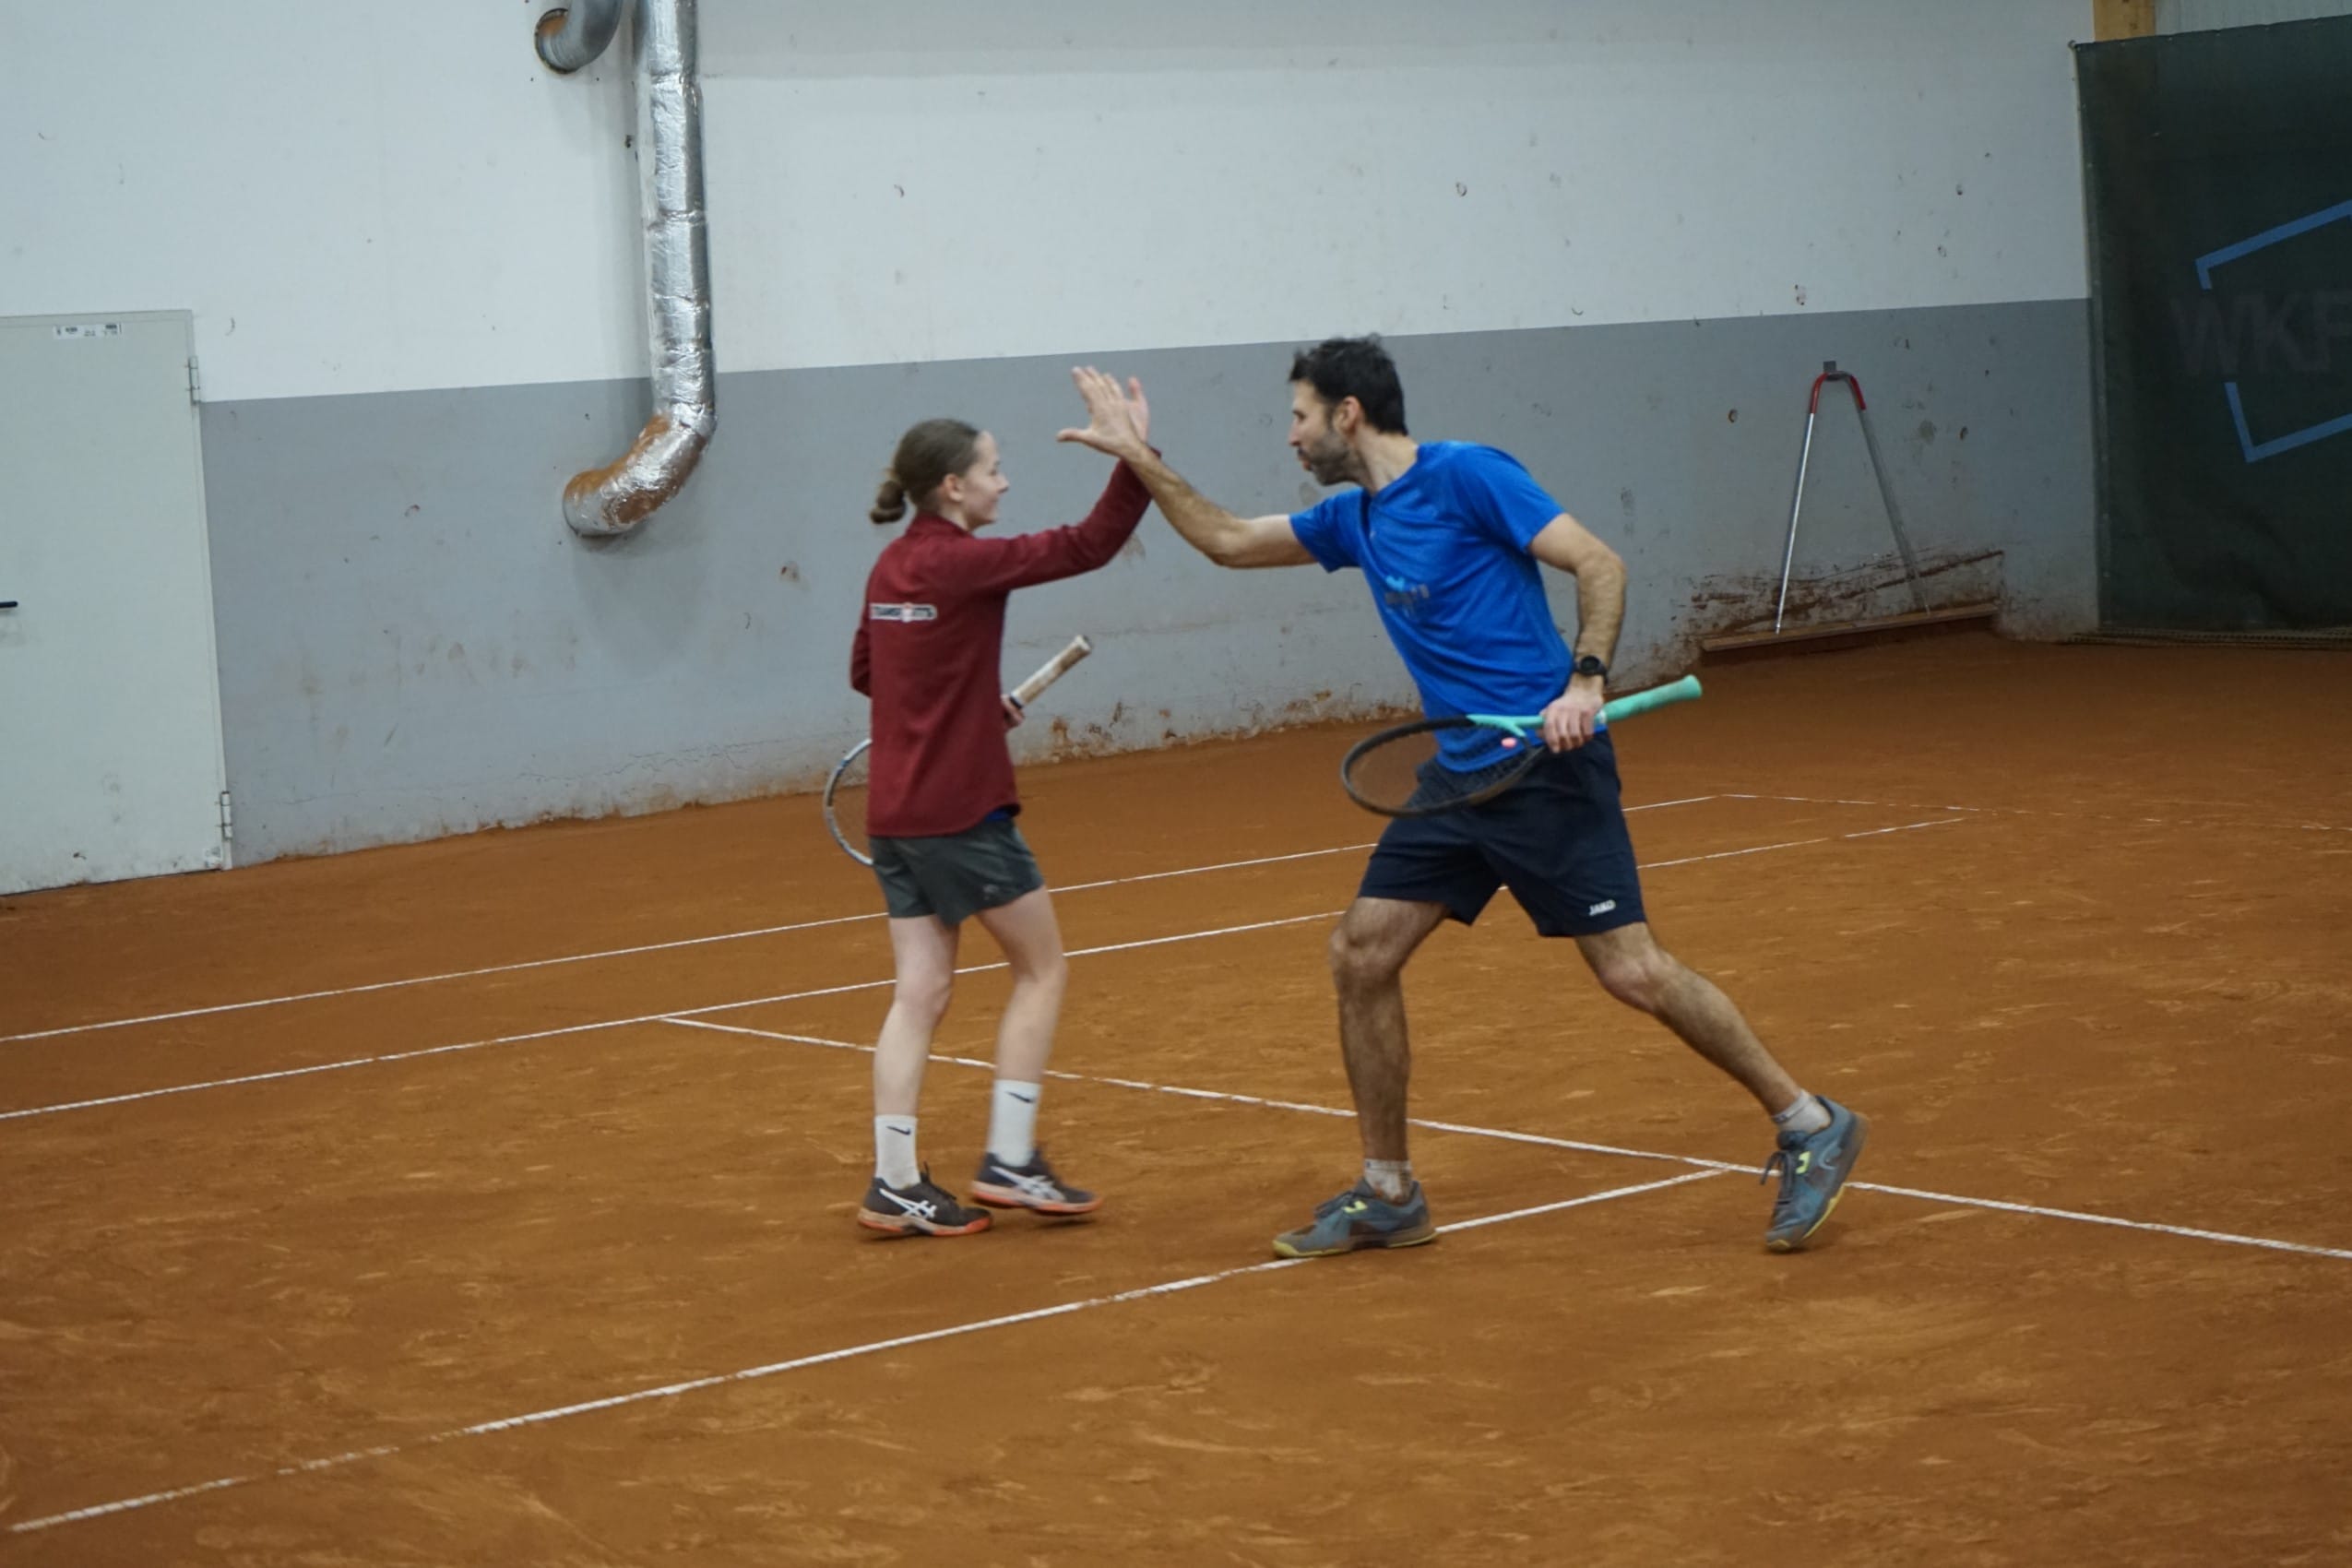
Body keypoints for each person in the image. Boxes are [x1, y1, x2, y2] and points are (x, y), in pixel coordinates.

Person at [1052, 337, 1866, 1257]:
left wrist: (1585, 681)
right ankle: (1388, 1191)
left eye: (1300, 416)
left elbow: (1599, 563)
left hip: (1545, 768)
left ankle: (1809, 1121)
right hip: (1459, 779)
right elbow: (1228, 541)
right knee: (1362, 953)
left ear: (1348, 414)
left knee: (1632, 971)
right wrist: (1136, 456)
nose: (1292, 436)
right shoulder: (1354, 519)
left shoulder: (1469, 476)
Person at [849, 377, 1154, 1237]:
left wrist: (966, 704)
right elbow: (1089, 544)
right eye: (993, 469)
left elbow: (872, 673)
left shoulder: (891, 566)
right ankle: (1011, 1161)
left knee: (919, 993)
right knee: (1041, 968)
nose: (1004, 481)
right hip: (961, 814)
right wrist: (1133, 454)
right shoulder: (963, 562)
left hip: (896, 818)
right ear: (954, 486)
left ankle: (895, 1183)